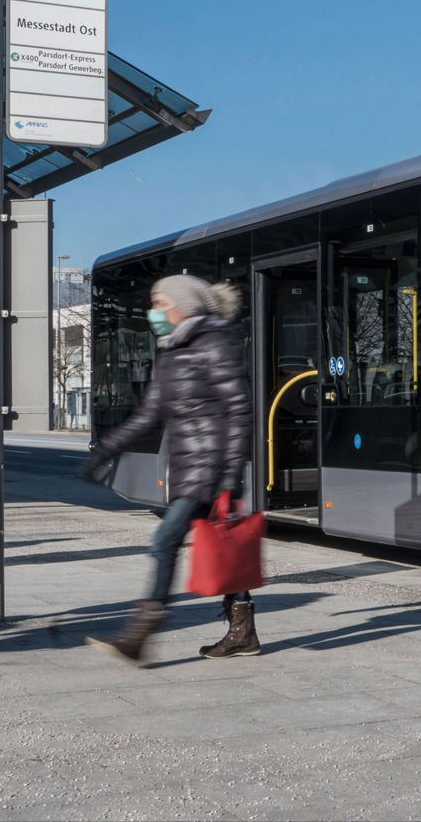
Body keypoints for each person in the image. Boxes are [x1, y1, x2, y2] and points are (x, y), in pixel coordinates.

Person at [81, 274, 256, 664]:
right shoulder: (172, 350)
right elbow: (148, 416)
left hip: (209, 470)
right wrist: (104, 450)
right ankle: (243, 632)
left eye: (161, 303)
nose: (154, 311)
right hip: (189, 469)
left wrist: (230, 474)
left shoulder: (217, 342)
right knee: (220, 545)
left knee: (164, 541)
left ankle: (140, 635)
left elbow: (240, 411)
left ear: (183, 306)